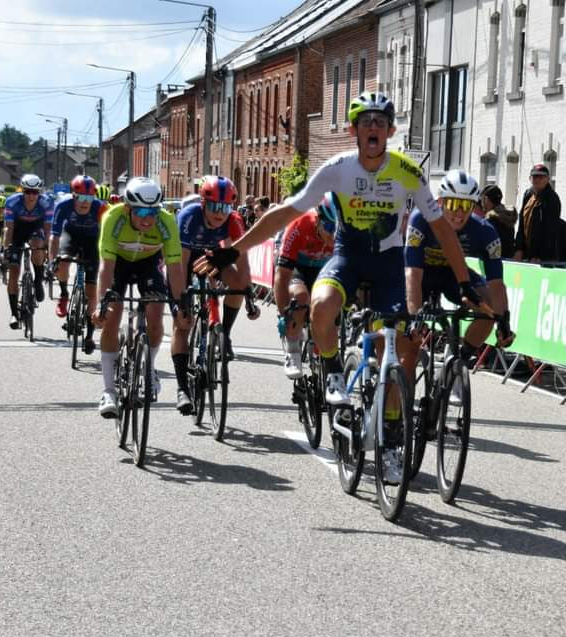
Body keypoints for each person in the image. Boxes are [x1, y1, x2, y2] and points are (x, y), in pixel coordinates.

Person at [196, 92, 480, 482]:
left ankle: (392, 442)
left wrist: (464, 281)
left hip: (389, 265)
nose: (373, 127)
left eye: (381, 122)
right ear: (353, 131)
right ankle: (332, 371)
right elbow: (286, 211)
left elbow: (442, 229)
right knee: (321, 304)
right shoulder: (337, 168)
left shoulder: (407, 172)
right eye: (366, 121)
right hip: (347, 257)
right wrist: (234, 250)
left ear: (390, 131)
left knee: (401, 351)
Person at [92, 177, 190, 418]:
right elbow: (106, 267)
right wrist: (102, 303)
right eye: (142, 212)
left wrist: (180, 306)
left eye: (153, 211)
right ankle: (108, 391)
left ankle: (149, 367)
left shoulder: (166, 221)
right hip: (118, 264)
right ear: (128, 209)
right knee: (111, 317)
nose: (148, 218)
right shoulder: (113, 218)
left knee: (156, 317)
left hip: (148, 263)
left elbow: (175, 268)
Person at [405, 169, 512, 362]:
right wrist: (415, 316)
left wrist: (503, 321)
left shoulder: (485, 231)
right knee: (408, 345)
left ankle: (460, 360)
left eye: (466, 205)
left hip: (454, 275)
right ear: (440, 202)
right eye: (453, 204)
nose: (459, 212)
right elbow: (412, 273)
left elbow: (496, 284)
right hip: (420, 273)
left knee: (488, 307)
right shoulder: (420, 218)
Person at [170, 175, 257, 414]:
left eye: (225, 207)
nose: (220, 213)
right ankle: (182, 388)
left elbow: (243, 263)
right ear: (203, 204)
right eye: (215, 207)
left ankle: (224, 333)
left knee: (238, 283)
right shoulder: (189, 216)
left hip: (212, 258)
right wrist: (182, 300)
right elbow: (180, 263)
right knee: (182, 324)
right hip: (185, 260)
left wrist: (248, 295)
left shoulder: (234, 221)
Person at [274, 197, 336, 379]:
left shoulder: (344, 233)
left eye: (338, 229)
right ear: (318, 220)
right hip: (297, 267)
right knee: (300, 297)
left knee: (330, 302)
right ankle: (293, 350)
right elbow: (281, 276)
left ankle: (320, 349)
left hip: (324, 268)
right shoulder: (300, 224)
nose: (333, 236)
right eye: (329, 228)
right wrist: (284, 315)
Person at [50, 175, 106, 353]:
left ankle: (89, 336)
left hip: (92, 241)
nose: (85, 202)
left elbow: (107, 237)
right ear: (73, 195)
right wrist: (52, 261)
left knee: (91, 291)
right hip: (70, 236)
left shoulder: (100, 207)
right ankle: (64, 293)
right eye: (81, 197)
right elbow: (54, 237)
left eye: (89, 197)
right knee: (63, 261)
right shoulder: (63, 205)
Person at [2, 174, 53, 330]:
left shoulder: (46, 203)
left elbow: (48, 229)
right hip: (17, 231)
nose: (31, 196)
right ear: (22, 191)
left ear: (39, 192)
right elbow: (8, 228)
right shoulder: (12, 202)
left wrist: (47, 248)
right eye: (27, 192)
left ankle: (38, 279)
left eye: (35, 192)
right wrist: (7, 248)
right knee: (13, 272)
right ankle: (13, 314)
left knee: (38, 246)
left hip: (36, 229)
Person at [514, 163, 562, 263]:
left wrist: (539, 255)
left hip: (543, 258)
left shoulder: (552, 199)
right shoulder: (528, 194)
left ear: (548, 179)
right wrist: (519, 248)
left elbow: (550, 231)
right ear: (530, 179)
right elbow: (521, 224)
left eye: (541, 177)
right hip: (526, 254)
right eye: (535, 176)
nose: (538, 180)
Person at [480, 184, 517, 260]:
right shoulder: (508, 217)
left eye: (482, 199)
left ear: (486, 199)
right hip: (509, 261)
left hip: (494, 261)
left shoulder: (489, 222)